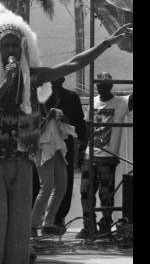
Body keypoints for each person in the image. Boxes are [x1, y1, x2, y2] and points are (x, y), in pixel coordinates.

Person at [0, 5, 132, 264]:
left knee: (18, 231)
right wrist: (5, 84)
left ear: (23, 49)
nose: (12, 51)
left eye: (16, 46)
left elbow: (73, 63)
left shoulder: (32, 77)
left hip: (23, 162)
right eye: (6, 45)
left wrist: (106, 43)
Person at [76, 72, 133, 239]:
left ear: (111, 86)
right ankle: (88, 226)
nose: (102, 87)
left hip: (108, 157)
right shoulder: (93, 102)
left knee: (105, 193)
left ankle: (105, 225)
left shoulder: (120, 103)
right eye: (100, 85)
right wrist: (82, 151)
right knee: (86, 191)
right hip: (90, 156)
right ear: (97, 86)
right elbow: (88, 128)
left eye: (106, 84)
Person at [38, 78, 87, 231]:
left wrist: (68, 121)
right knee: (45, 184)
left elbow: (80, 123)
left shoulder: (72, 97)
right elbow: (35, 125)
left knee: (63, 183)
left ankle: (55, 219)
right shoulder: (41, 96)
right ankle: (35, 222)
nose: (54, 81)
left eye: (58, 77)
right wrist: (50, 117)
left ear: (64, 79)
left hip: (63, 144)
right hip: (44, 144)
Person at [31, 107, 76, 237]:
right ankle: (33, 225)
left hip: (57, 147)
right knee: (47, 186)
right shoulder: (33, 104)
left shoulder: (56, 109)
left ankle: (48, 223)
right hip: (42, 147)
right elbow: (31, 133)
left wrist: (65, 121)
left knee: (61, 186)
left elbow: (64, 132)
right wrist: (48, 119)